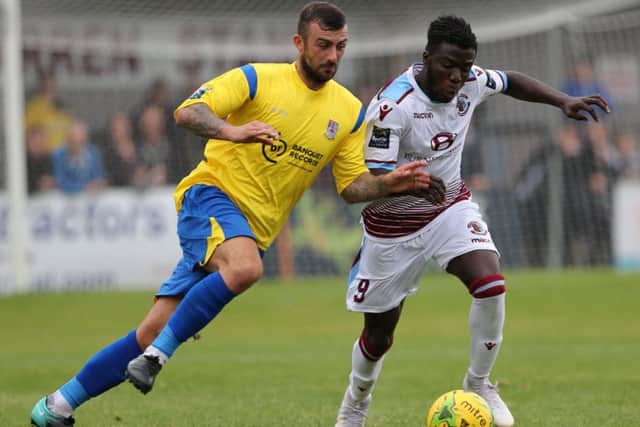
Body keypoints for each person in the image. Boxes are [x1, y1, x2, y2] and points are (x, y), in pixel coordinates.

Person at [29, 3, 443, 426]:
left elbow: (351, 186)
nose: (333, 55)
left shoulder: (350, 110)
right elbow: (187, 110)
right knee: (245, 268)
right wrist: (232, 130)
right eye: (323, 45)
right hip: (209, 197)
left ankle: (56, 407)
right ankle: (157, 358)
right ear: (299, 43)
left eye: (341, 46)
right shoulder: (257, 78)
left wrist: (388, 185)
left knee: (151, 330)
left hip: (249, 229)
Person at [333, 15, 609, 427]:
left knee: (490, 284)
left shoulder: (471, 81)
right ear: (426, 57)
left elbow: (511, 80)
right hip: (392, 229)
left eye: (465, 67)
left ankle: (479, 383)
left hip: (448, 208)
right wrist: (406, 185)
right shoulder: (393, 107)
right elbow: (373, 179)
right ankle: (356, 403)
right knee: (378, 337)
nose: (458, 77)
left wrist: (562, 101)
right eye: (449, 66)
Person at [51, 119, 106, 195]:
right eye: (73, 142)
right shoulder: (58, 155)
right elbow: (60, 182)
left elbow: (98, 177)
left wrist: (98, 184)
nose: (77, 146)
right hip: (66, 200)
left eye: (81, 142)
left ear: (86, 140)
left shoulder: (93, 152)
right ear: (67, 140)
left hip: (90, 198)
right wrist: (84, 187)